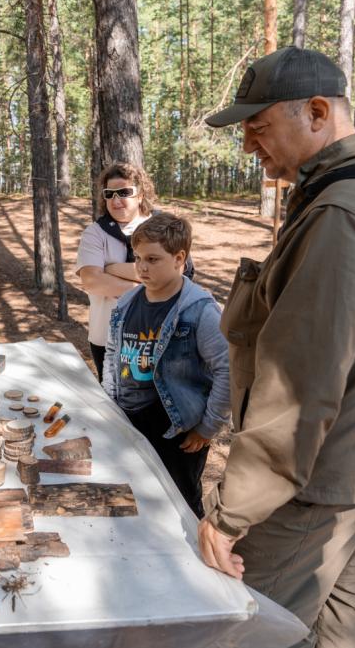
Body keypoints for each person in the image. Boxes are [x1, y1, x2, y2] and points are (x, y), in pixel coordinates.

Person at [196, 46, 355, 648]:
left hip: (313, 480)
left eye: (258, 127)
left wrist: (232, 514)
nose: (249, 146)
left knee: (242, 625)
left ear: (314, 112)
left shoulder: (343, 209)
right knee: (339, 623)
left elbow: (300, 382)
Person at [101, 212, 230, 517]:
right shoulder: (126, 303)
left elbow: (228, 370)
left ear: (179, 258)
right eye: (138, 258)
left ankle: (193, 561)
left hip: (178, 431)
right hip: (130, 420)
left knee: (180, 503)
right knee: (136, 498)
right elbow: (111, 353)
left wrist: (208, 427)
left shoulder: (200, 310)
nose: (142, 267)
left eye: (153, 259)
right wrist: (108, 403)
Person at [76, 162, 192, 381]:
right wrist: (150, 289)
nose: (116, 200)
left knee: (158, 400)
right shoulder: (95, 233)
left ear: (140, 195)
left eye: (124, 192)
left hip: (158, 334)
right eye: (109, 194)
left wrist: (111, 269)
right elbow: (92, 281)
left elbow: (178, 273)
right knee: (113, 404)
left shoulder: (163, 227)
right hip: (108, 337)